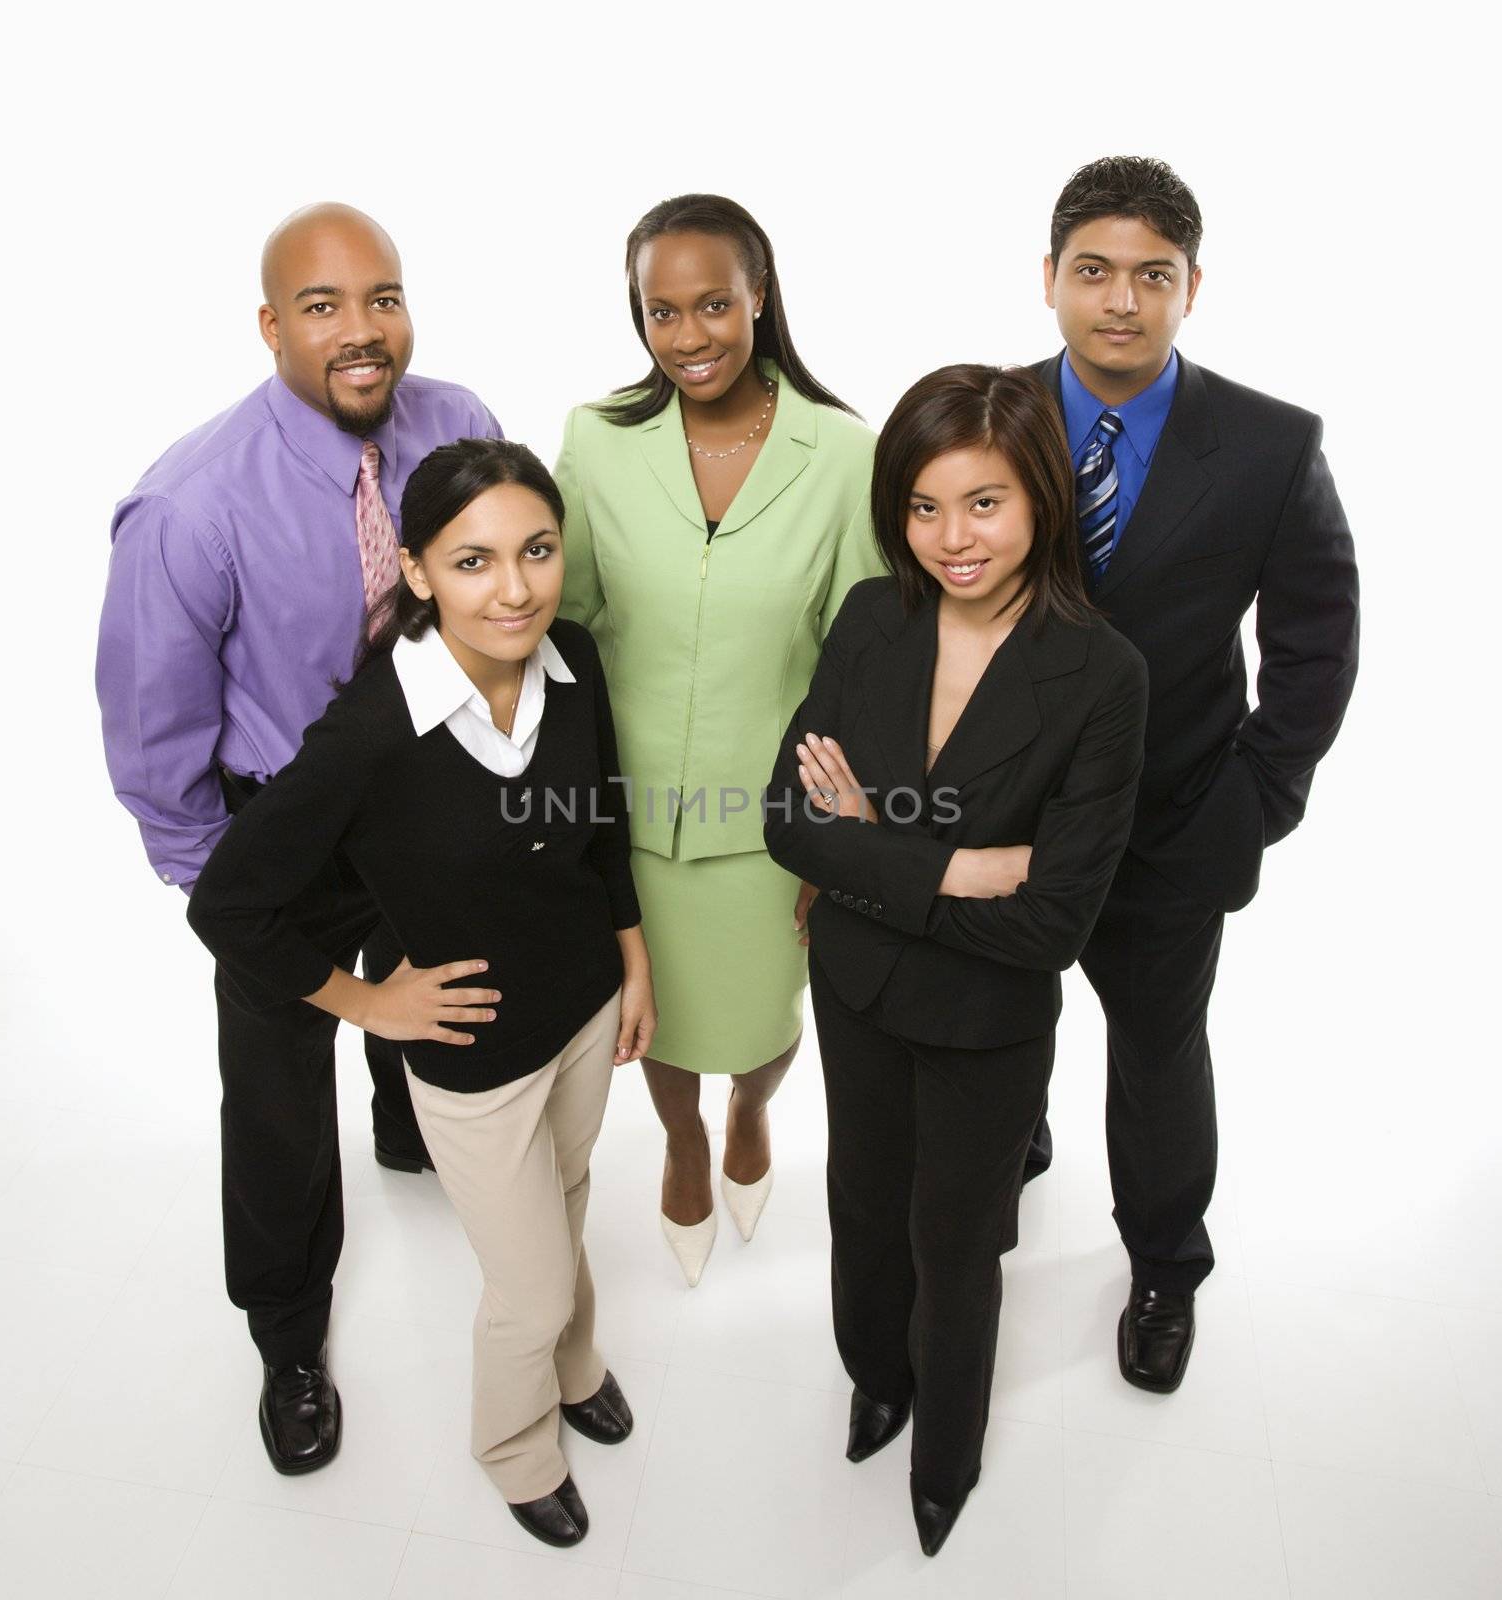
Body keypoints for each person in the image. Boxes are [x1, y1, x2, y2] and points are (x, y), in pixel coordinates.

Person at [187, 438, 657, 1548]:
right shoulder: (369, 734)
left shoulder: (574, 657)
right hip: (475, 1057)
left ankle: (577, 1365)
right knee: (528, 1285)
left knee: (570, 1202)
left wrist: (633, 962)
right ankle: (515, 1444)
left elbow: (604, 827)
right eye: (474, 561)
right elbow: (230, 902)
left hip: (585, 1009)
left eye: (537, 551)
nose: (515, 588)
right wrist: (365, 1004)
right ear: (415, 571)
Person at [95, 203, 502, 1473]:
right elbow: (152, 737)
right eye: (323, 307)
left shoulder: (460, 421)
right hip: (286, 816)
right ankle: (287, 1335)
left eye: (381, 296)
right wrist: (232, 886)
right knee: (274, 1088)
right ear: (271, 326)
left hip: (434, 778)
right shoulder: (190, 504)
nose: (362, 330)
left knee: (436, 974)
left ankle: (403, 1118)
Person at [765, 363, 1149, 1556]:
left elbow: (1050, 925)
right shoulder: (875, 618)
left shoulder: (1100, 675)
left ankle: (948, 1450)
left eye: (983, 502)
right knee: (861, 1203)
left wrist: (868, 849)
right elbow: (787, 818)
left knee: (959, 1234)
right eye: (924, 507)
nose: (951, 537)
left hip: (987, 1017)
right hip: (858, 992)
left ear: (1037, 494)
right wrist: (949, 864)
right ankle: (874, 1375)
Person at [1028, 156, 1360, 1392]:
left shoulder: (1270, 445)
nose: (1121, 300)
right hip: (1003, 816)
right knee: (1002, 1020)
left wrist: (1250, 809)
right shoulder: (983, 415)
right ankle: (1016, 1144)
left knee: (1158, 1053)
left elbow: (1316, 643)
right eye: (1095, 271)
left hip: (1173, 819)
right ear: (1050, 280)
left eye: (1151, 276)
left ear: (1192, 287)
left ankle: (1165, 1261)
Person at [553, 194, 884, 1284]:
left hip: (772, 817)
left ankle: (748, 1114)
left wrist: (837, 838)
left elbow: (864, 656)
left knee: (762, 1020)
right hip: (633, 809)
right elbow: (571, 620)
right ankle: (687, 1139)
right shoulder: (597, 442)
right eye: (661, 311)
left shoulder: (840, 453)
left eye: (712, 305)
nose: (688, 336)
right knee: (659, 1019)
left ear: (759, 298)